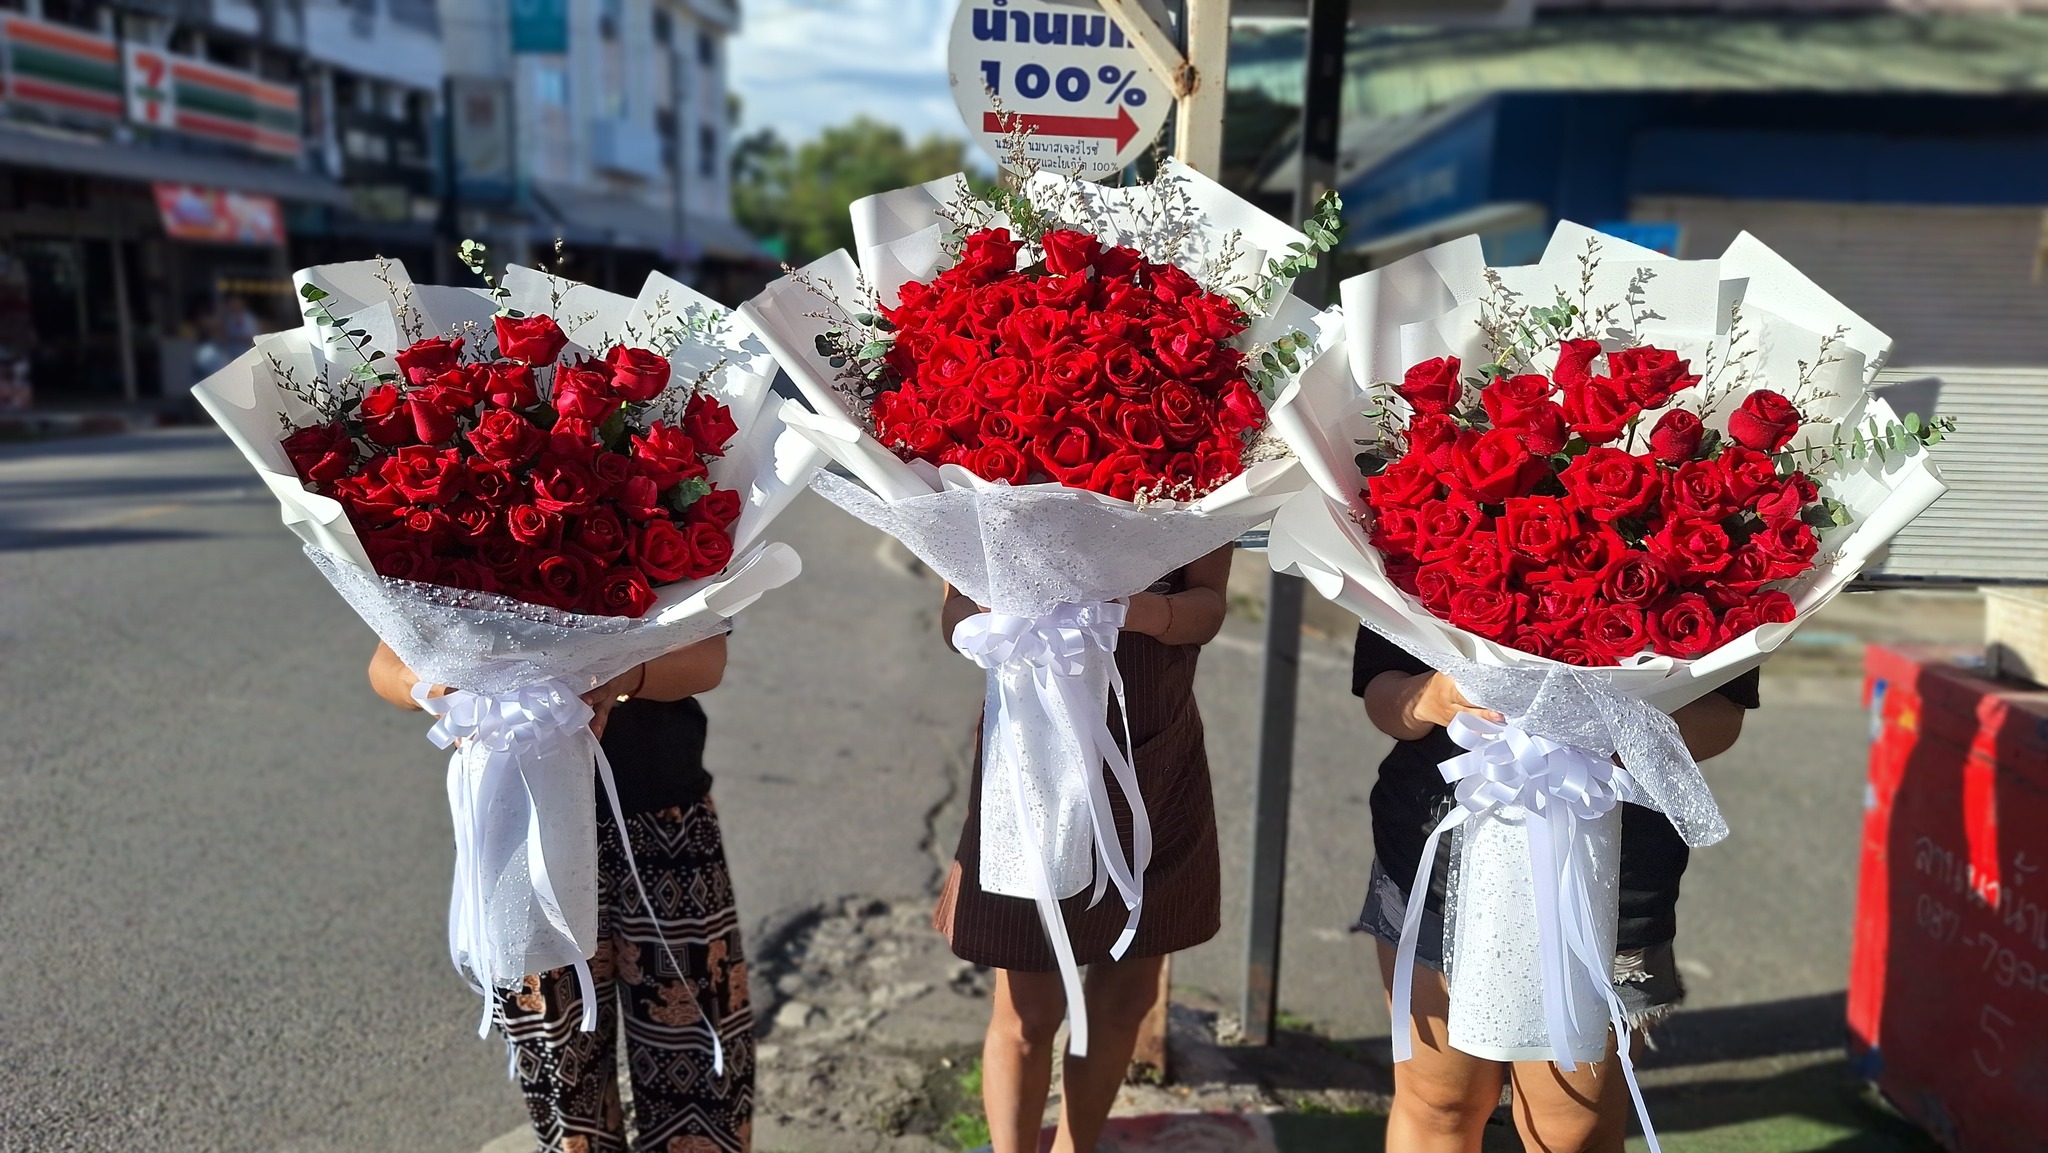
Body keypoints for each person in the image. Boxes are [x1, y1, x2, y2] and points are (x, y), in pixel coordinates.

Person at [1352, 626, 1759, 1152]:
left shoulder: (1705, 549)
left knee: (1570, 1129)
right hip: (1433, 870)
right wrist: (1433, 698)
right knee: (1438, 1099)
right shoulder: (1419, 545)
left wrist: (1609, 725)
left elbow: (1722, 715)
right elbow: (1386, 693)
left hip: (1608, 883)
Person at [368, 636, 754, 1153]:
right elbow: (387, 666)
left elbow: (706, 659)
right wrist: (447, 691)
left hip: (664, 818)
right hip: (524, 833)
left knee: (694, 1033)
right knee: (558, 1054)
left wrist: (621, 679)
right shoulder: (440, 554)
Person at [932, 546, 1233, 1153]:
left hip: (1156, 751)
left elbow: (1207, 606)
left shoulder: (1203, 460)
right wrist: (1008, 615)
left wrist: (1128, 611)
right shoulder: (992, 466)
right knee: (1028, 1009)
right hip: (1031, 752)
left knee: (1127, 996)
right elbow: (954, 612)